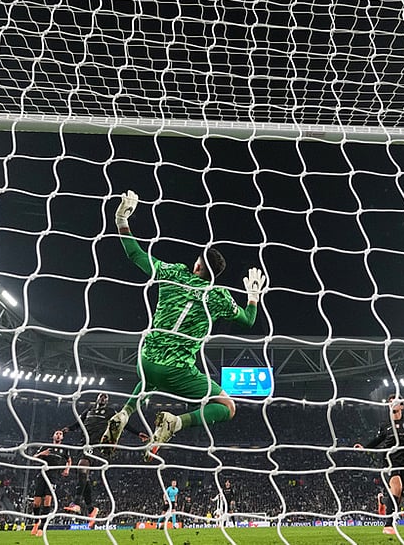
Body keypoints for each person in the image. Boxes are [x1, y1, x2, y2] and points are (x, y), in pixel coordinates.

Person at [100, 190, 266, 458]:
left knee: (150, 379)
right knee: (227, 405)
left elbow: (135, 254)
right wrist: (253, 298)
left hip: (145, 360)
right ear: (216, 275)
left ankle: (124, 412)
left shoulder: (172, 273)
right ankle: (175, 422)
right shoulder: (218, 296)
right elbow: (248, 321)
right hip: (176, 371)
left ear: (197, 263)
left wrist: (121, 220)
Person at [61, 392, 147, 527]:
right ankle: (91, 509)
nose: (103, 397)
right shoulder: (89, 410)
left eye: (105, 397)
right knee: (84, 476)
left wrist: (137, 433)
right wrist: (67, 429)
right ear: (97, 398)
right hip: (84, 444)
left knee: (82, 467)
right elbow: (78, 423)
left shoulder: (110, 411)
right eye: (101, 395)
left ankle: (76, 503)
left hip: (97, 444)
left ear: (107, 401)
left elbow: (122, 423)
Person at [353, 395, 404, 535]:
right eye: (390, 402)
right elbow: (378, 439)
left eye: (395, 402)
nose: (392, 404)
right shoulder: (385, 424)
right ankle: (388, 525)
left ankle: (382, 500)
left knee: (398, 494)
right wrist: (365, 448)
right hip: (389, 459)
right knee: (397, 487)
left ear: (402, 405)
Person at [29, 429, 72, 537]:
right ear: (53, 436)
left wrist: (67, 469)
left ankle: (42, 527)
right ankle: (36, 522)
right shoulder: (45, 447)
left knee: (48, 500)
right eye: (57, 433)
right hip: (42, 475)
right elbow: (33, 458)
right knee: (36, 502)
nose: (58, 435)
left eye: (60, 434)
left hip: (54, 476)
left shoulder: (64, 449)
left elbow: (69, 460)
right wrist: (42, 453)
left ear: (62, 438)